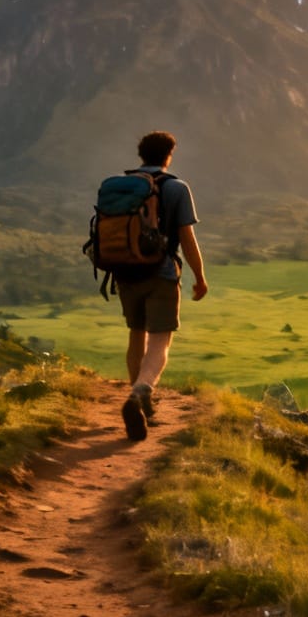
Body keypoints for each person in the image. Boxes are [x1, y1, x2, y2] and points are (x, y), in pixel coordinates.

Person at [112, 130, 207, 440]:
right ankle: (140, 395)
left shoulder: (123, 186)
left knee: (135, 334)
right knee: (160, 341)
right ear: (169, 156)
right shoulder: (177, 188)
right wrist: (200, 276)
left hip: (125, 273)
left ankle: (140, 401)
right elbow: (186, 238)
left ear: (142, 155)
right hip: (162, 273)